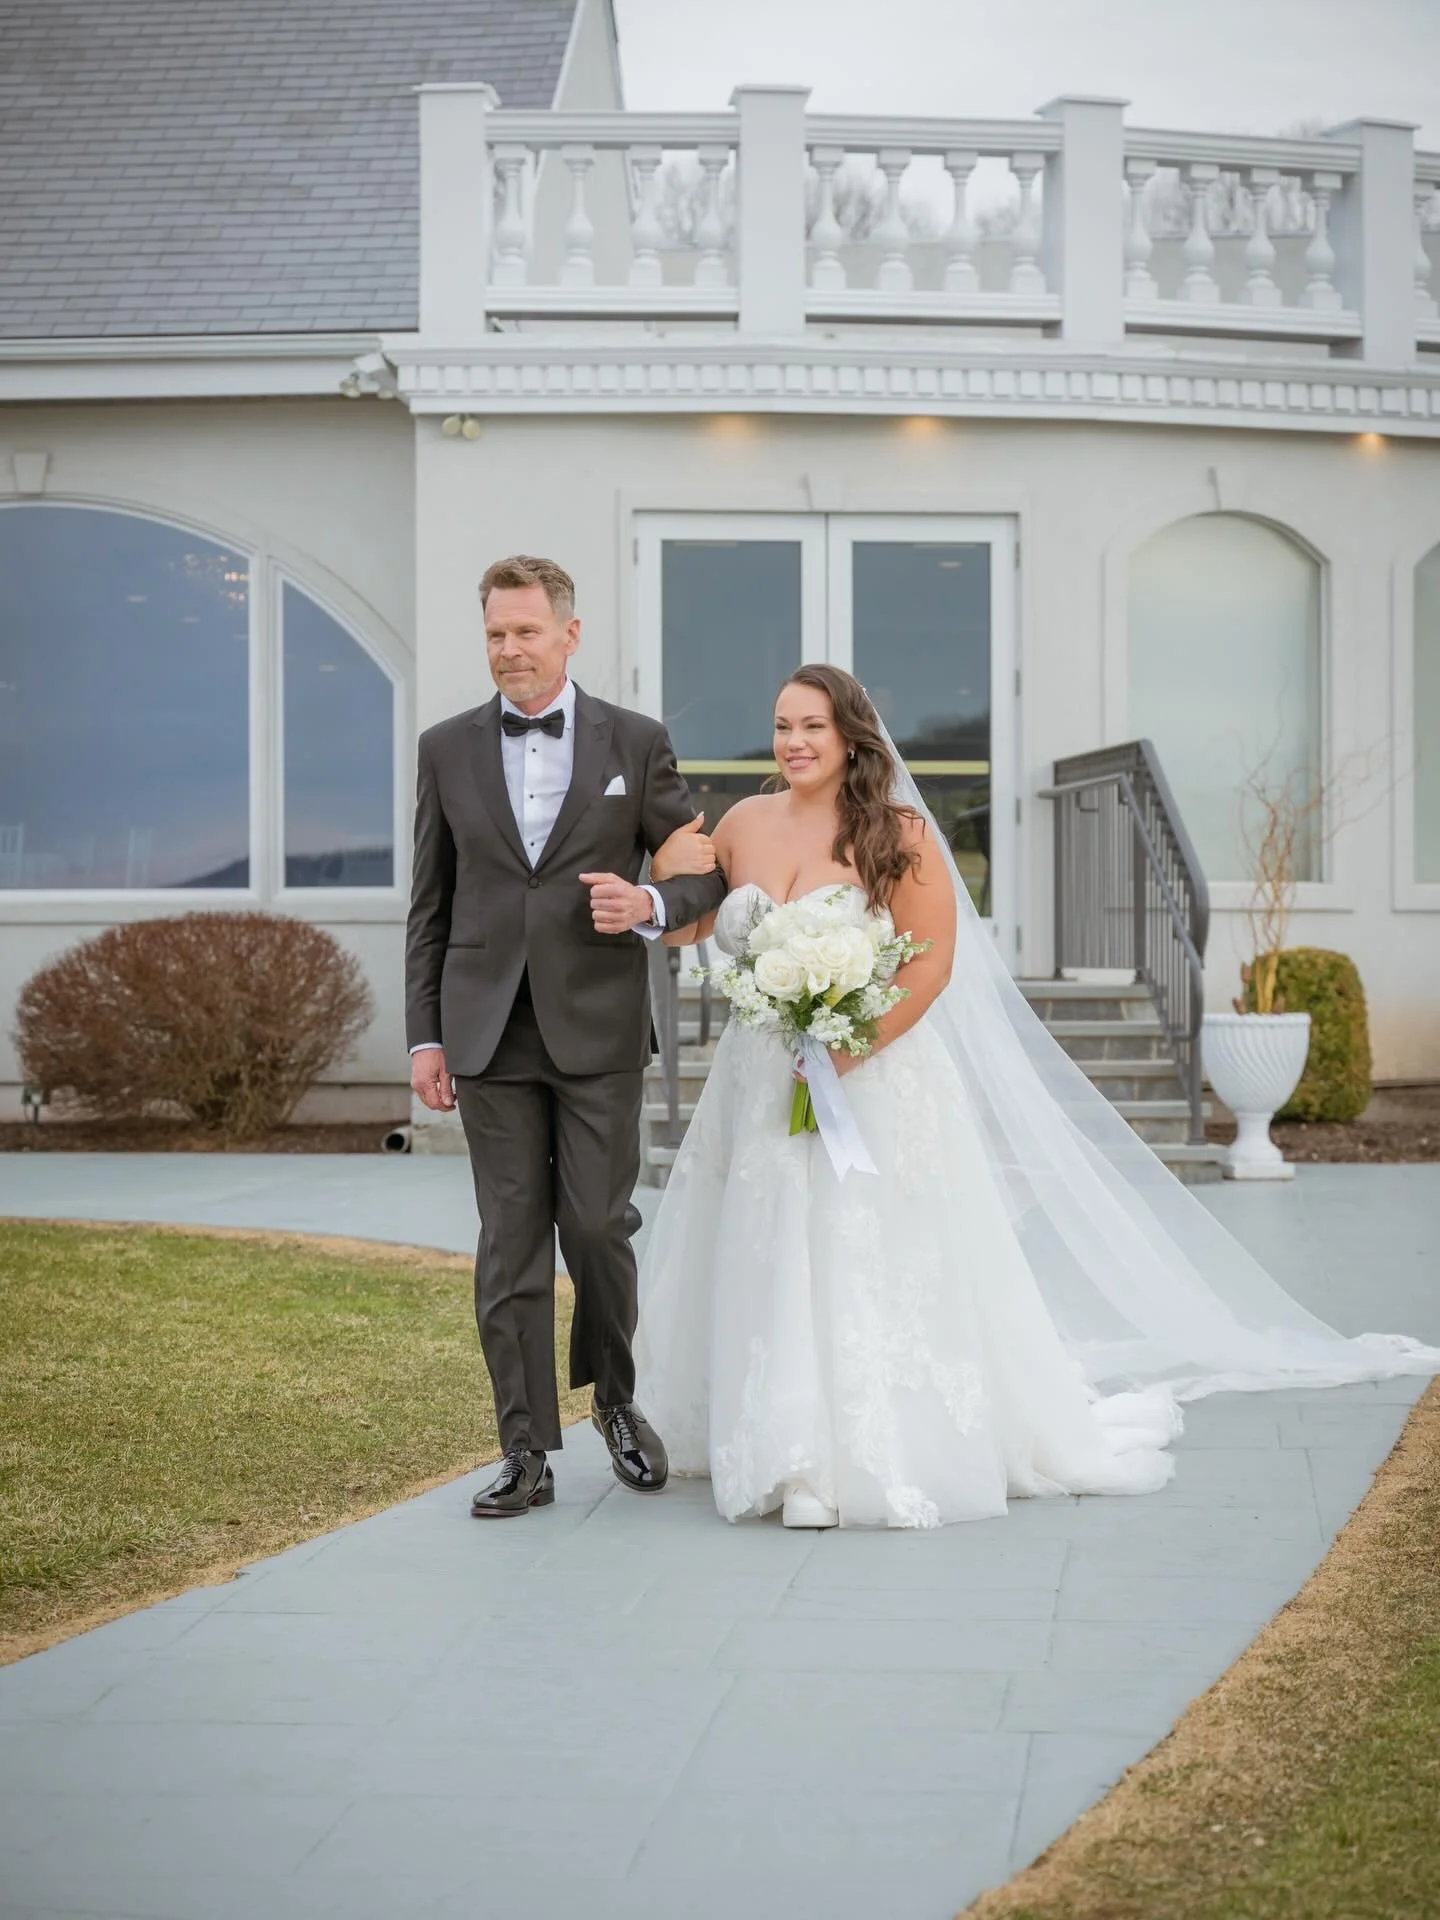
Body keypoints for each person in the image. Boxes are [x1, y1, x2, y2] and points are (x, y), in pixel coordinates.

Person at [634, 664, 1439, 1529]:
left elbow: (932, 962)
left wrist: (845, 1049)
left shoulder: (895, 831)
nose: (792, 742)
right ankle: (776, 1440)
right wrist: (655, 878)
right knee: (766, 1240)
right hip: (761, 1076)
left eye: (812, 728)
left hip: (873, 1072)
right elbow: (695, 926)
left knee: (860, 1246)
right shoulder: (745, 823)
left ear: (852, 736)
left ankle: (841, 1462)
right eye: (782, 725)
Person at [406, 555, 727, 1517]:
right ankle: (523, 1450)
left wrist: (651, 903)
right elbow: (431, 900)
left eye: (527, 632)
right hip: (486, 1029)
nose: (509, 650)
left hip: (598, 1023)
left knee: (595, 1227)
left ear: (569, 634)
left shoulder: (636, 739)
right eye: (497, 634)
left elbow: (703, 870)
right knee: (509, 1243)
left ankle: (617, 1403)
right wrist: (425, 1036)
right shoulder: (445, 747)